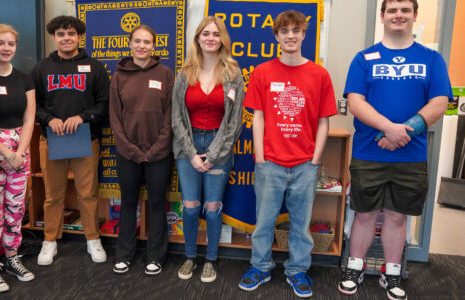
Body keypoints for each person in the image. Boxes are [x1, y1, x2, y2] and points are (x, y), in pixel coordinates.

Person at [338, 1, 452, 299]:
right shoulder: (364, 58)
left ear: (414, 15)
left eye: (405, 10)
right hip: (369, 151)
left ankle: (391, 272)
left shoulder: (431, 58)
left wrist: (403, 131)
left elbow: (439, 102)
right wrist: (389, 128)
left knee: (398, 216)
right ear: (382, 16)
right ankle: (355, 266)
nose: (398, 15)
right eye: (392, 10)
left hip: (410, 155)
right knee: (364, 214)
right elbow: (356, 101)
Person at [238, 10, 337, 298]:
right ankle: (260, 266)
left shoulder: (319, 74)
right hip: (270, 163)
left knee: (301, 225)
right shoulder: (263, 72)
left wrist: (315, 160)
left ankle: (297, 270)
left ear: (304, 35)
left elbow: (323, 120)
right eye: (285, 31)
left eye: (296, 31)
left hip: (305, 164)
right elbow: (258, 116)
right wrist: (259, 156)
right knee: (264, 222)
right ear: (276, 36)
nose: (291, 36)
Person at [31, 15, 109, 266]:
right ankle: (50, 240)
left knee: (87, 193)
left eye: (71, 34)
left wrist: (83, 117)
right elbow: (33, 104)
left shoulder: (95, 67)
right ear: (54, 38)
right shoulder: (41, 68)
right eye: (61, 34)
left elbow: (104, 104)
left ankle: (92, 239)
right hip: (52, 138)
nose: (66, 38)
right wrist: (47, 119)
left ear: (79, 36)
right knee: (53, 195)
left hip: (86, 138)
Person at [172, 16, 244, 283]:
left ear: (222, 39)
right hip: (187, 147)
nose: (211, 38)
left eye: (216, 34)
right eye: (205, 34)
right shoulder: (185, 73)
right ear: (198, 39)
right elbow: (176, 118)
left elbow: (234, 123)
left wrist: (212, 155)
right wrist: (191, 153)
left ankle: (211, 260)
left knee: (212, 207)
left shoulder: (233, 74)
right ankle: (190, 257)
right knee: (190, 206)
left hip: (219, 146)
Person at [110, 24, 174, 276]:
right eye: (137, 41)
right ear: (130, 44)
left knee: (157, 204)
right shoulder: (118, 76)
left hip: (159, 153)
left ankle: (156, 257)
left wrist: (159, 147)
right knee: (128, 203)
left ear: (154, 46)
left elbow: (171, 115)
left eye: (147, 42)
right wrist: (131, 150)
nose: (141, 46)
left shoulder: (166, 74)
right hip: (128, 153)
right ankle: (124, 255)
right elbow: (115, 118)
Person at [0, 24, 36, 292]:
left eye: (11, 44)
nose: (6, 48)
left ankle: (12, 257)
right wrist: (6, 152)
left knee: (15, 210)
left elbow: (29, 117)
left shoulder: (24, 78)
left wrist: (19, 153)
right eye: (0, 43)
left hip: (20, 150)